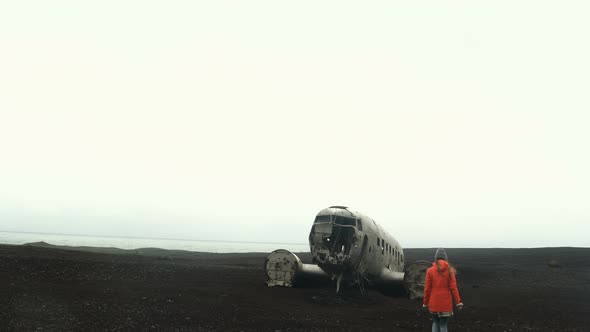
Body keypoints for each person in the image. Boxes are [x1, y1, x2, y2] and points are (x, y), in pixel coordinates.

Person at [422, 248, 464, 332]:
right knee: (443, 324)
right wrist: (458, 302)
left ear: (436, 258)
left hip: (434, 303)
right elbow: (453, 288)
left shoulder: (430, 271)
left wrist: (425, 303)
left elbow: (427, 289)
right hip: (445, 304)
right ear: (445, 258)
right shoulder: (450, 271)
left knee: (435, 322)